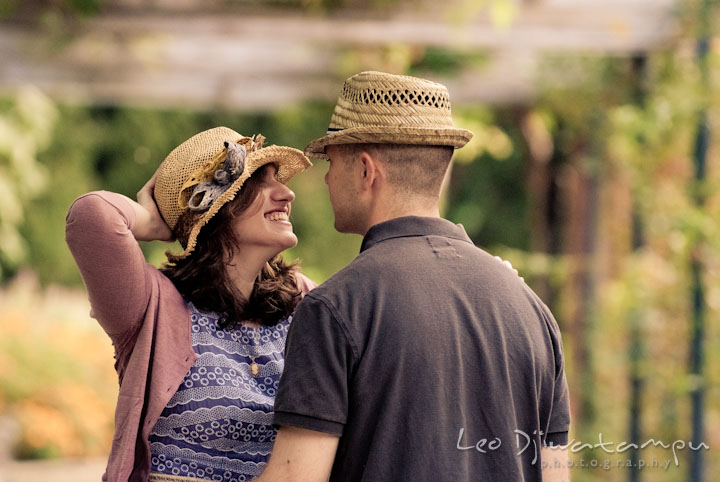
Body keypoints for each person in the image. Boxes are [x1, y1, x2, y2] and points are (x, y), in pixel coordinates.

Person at [254, 71, 571, 482]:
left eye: (331, 161)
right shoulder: (534, 312)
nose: (328, 177)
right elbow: (555, 475)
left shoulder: (335, 308)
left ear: (366, 170)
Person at [65, 127, 314, 482]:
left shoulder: (306, 301)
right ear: (219, 205)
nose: (287, 193)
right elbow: (92, 215)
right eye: (260, 181)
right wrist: (154, 223)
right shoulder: (152, 304)